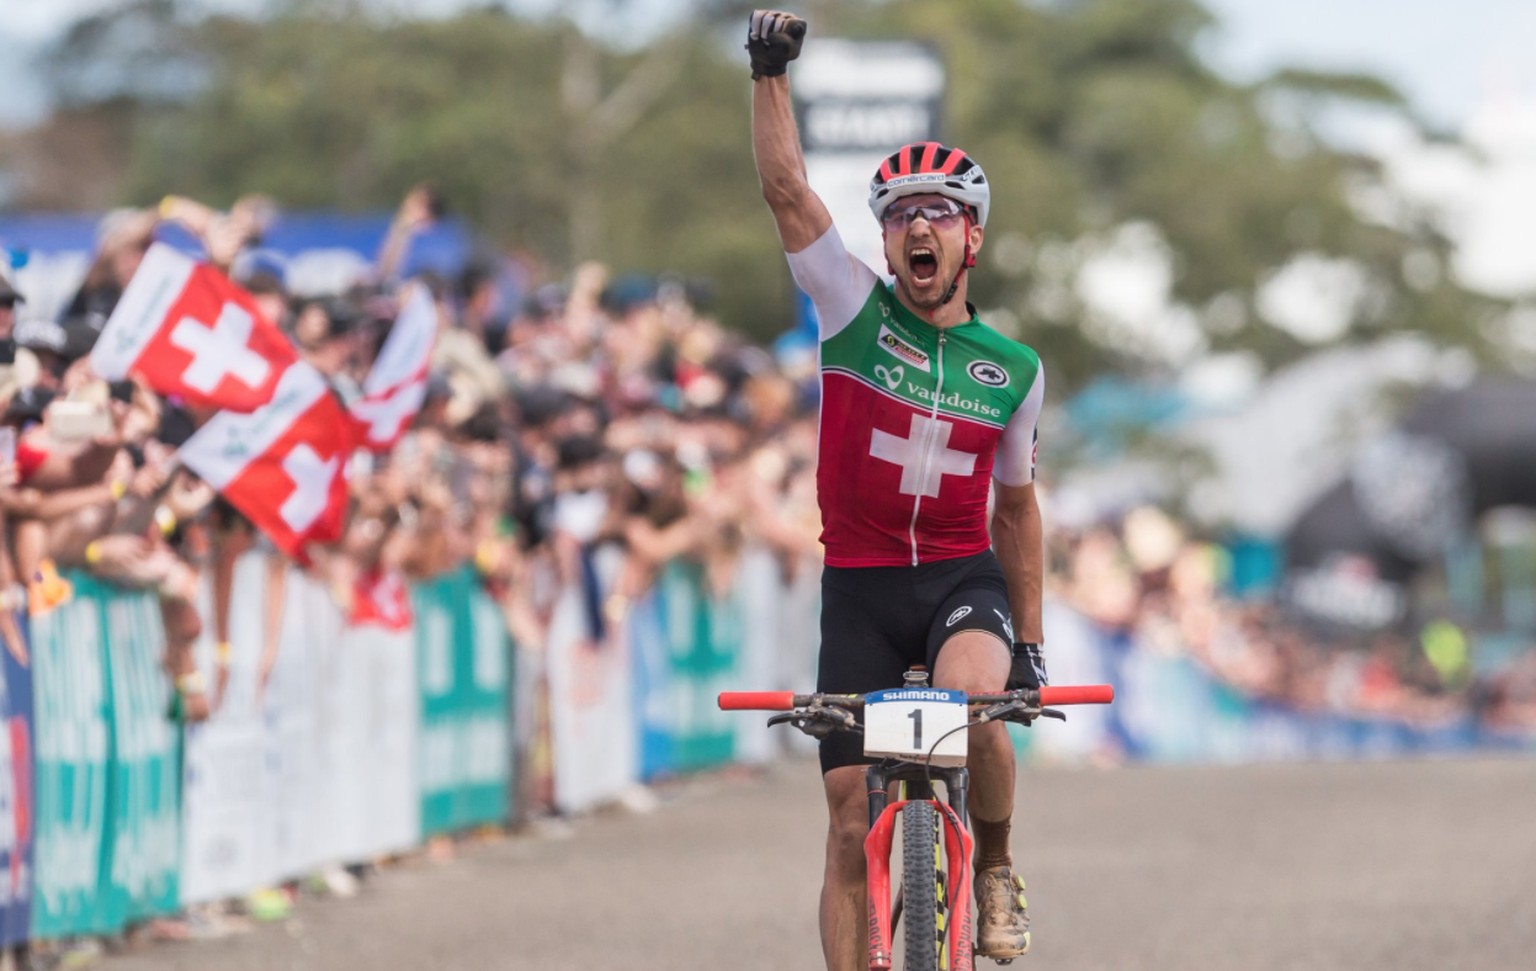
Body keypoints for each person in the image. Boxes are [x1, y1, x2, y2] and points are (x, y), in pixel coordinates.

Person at [745, 10, 1049, 968]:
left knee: (971, 713)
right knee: (843, 824)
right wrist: (768, 72)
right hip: (862, 586)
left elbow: (1016, 509)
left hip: (961, 578)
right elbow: (787, 189)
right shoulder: (848, 309)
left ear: (973, 238)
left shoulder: (1015, 366)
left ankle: (993, 860)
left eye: (940, 213)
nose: (920, 227)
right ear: (884, 240)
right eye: (901, 215)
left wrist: (1031, 644)